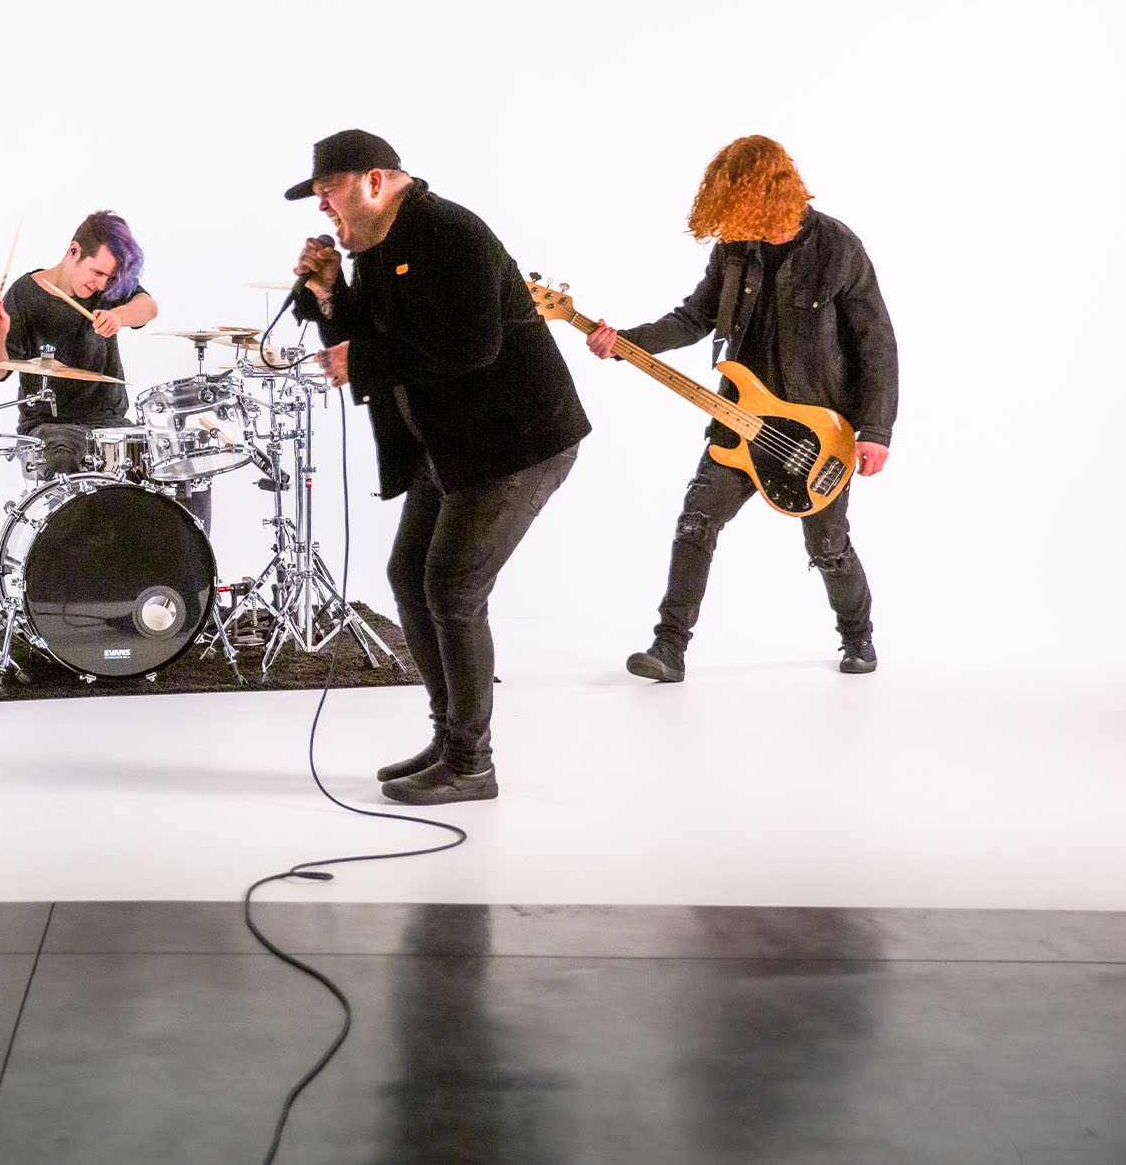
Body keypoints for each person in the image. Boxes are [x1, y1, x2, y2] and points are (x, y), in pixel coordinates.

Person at [290, 130, 590, 806]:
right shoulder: (378, 246)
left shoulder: (449, 232)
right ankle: (448, 737)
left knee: (453, 589)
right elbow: (376, 334)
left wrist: (362, 362)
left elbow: (473, 345)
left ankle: (471, 764)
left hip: (517, 441)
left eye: (328, 192)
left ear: (373, 182)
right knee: (409, 575)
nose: (323, 209)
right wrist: (330, 293)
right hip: (450, 441)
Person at [586, 135, 898, 681]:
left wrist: (876, 429)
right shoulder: (735, 248)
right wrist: (625, 342)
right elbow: (693, 318)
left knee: (827, 546)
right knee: (695, 523)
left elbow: (876, 344)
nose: (730, 218)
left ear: (768, 194)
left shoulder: (838, 248)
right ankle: (669, 648)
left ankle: (858, 636)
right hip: (738, 419)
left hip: (815, 430)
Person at [0, 210, 158, 475]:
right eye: (96, 272)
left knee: (168, 469)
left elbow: (149, 307)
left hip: (109, 423)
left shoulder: (110, 287)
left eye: (108, 278)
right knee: (65, 469)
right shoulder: (26, 294)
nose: (101, 284)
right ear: (74, 251)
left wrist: (118, 315)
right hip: (50, 426)